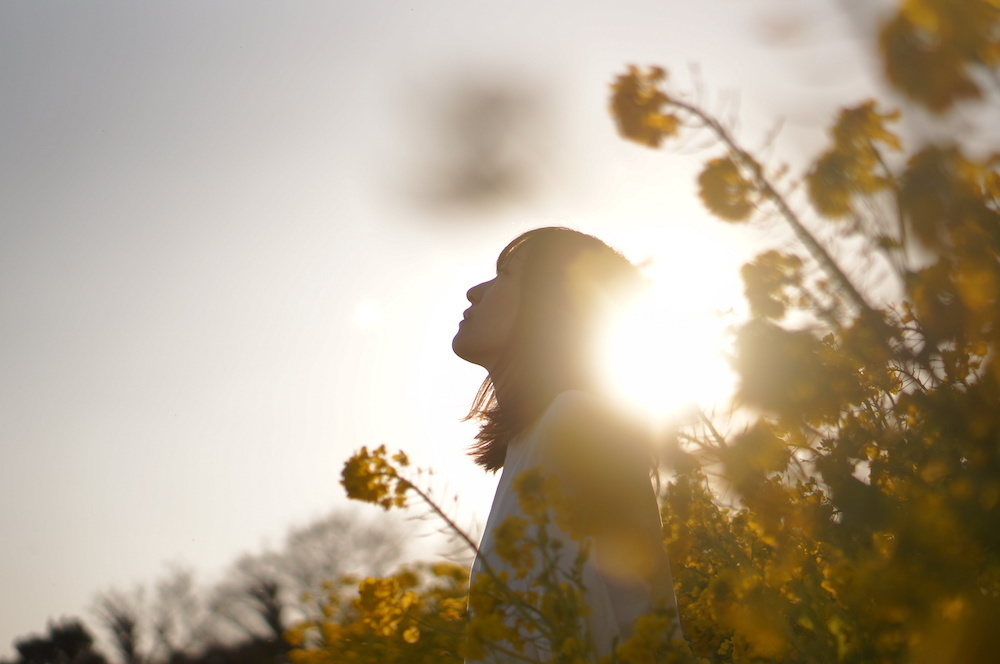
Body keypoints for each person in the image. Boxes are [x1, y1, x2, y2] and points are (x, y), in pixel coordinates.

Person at [452, 227, 681, 662]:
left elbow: (583, 630)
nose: (474, 291)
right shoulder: (533, 441)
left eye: (505, 274)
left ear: (553, 304)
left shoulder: (576, 422)